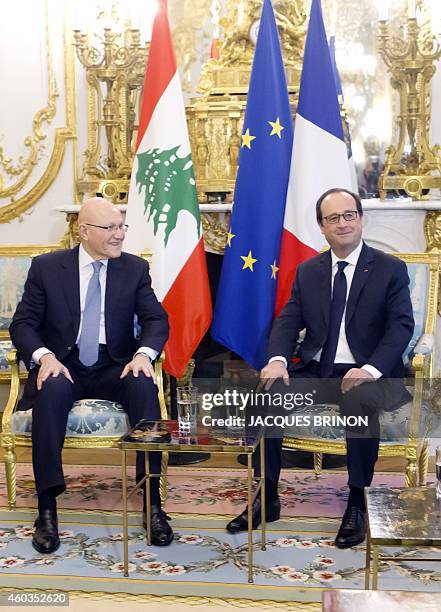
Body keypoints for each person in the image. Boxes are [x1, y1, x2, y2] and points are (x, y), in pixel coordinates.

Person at [226, 188, 414, 548]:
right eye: (333, 218)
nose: (342, 223)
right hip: (319, 369)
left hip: (369, 373)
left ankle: (357, 501)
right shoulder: (309, 270)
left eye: (349, 215)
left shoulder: (390, 269)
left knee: (359, 400)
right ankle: (267, 495)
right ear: (321, 227)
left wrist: (371, 369)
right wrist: (278, 361)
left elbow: (400, 327)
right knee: (267, 393)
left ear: (360, 219)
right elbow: (287, 320)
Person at [10, 197, 172, 554]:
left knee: (145, 386)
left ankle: (153, 504)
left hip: (115, 364)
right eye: (111, 228)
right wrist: (45, 356)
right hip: (64, 363)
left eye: (121, 226)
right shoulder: (48, 268)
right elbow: (23, 324)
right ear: (84, 231)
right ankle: (47, 508)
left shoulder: (133, 269)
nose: (119, 235)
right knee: (49, 392)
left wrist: (144, 355)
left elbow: (156, 319)